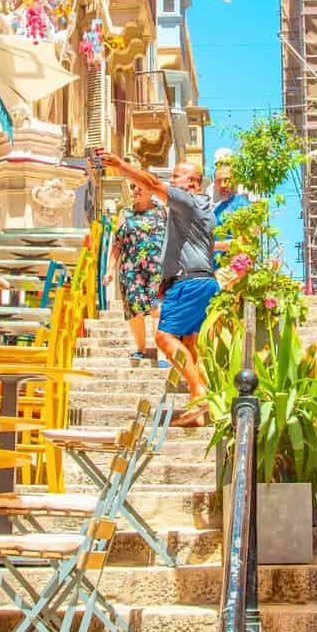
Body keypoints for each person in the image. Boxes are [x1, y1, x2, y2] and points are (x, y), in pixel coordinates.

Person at [96, 150, 217, 427]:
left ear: (193, 183)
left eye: (177, 176)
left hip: (188, 282)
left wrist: (120, 165)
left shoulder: (186, 201)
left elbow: (150, 183)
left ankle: (199, 392)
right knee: (189, 343)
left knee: (163, 337)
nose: (171, 180)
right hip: (203, 280)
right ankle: (197, 410)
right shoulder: (205, 210)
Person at [109, 182, 166, 362]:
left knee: (157, 309)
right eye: (133, 187)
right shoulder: (125, 213)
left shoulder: (162, 212)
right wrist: (109, 269)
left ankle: (162, 352)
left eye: (140, 187)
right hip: (131, 270)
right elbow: (117, 244)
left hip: (157, 268)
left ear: (151, 189)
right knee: (135, 309)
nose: (135, 190)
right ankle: (141, 349)